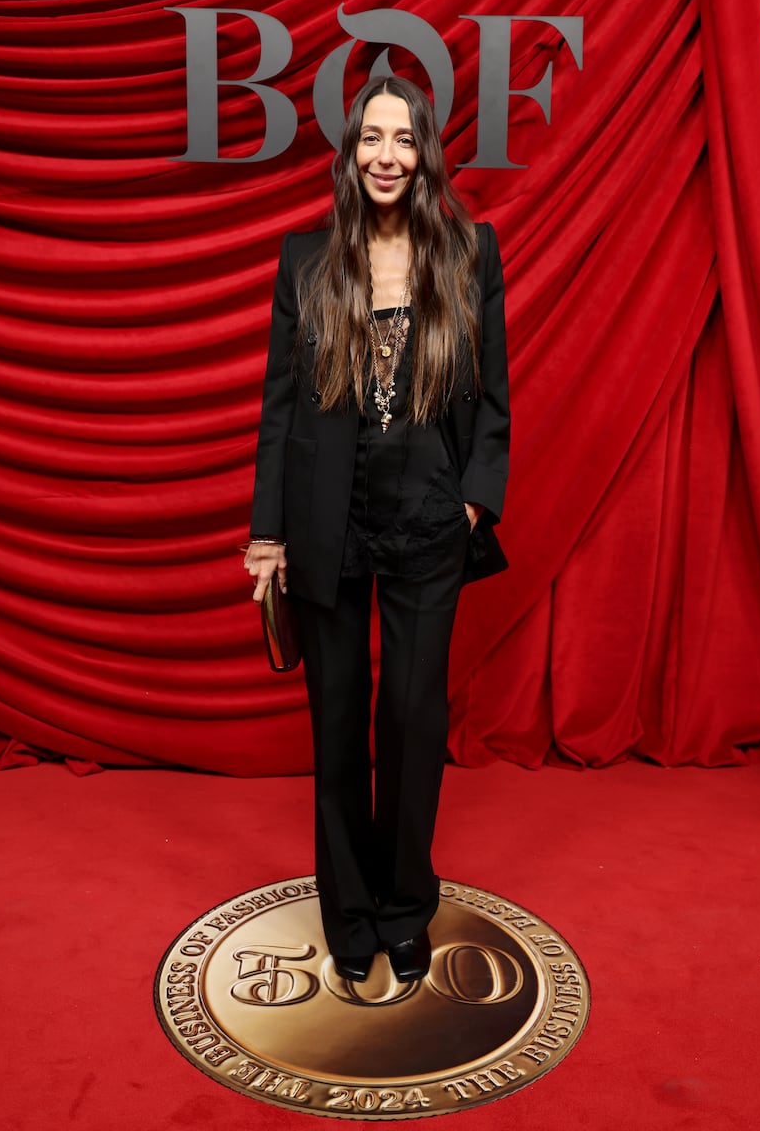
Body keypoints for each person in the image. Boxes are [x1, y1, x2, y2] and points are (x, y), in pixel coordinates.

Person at [244, 75, 510, 985]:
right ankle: (349, 914)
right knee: (338, 727)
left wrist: (474, 498)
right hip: (328, 524)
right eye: (371, 139)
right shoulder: (306, 261)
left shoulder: (470, 253)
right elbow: (280, 410)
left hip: (429, 522)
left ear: (424, 152)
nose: (386, 156)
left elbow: (496, 399)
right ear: (350, 154)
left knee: (408, 717)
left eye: (402, 139)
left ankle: (405, 904)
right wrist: (267, 537)